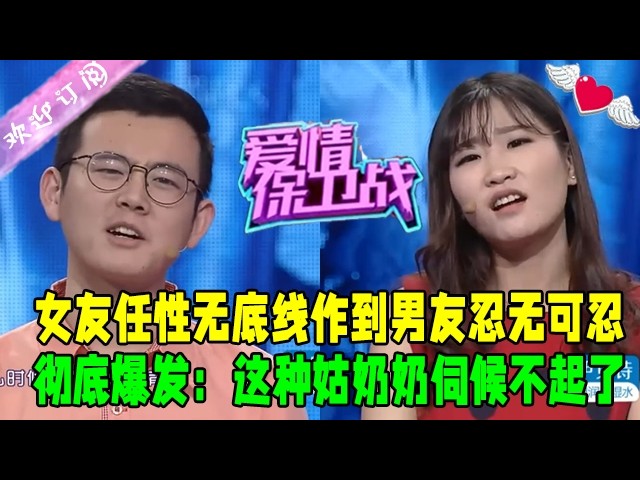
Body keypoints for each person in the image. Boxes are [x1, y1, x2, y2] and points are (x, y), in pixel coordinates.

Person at [0, 73, 307, 420]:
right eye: (109, 169)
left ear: (197, 223)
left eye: (164, 180)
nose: (134, 197)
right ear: (55, 193)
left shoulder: (258, 390)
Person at [363, 71, 640, 420]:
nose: (497, 172)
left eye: (517, 142)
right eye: (469, 158)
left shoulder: (632, 314)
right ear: (453, 195)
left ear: (569, 163)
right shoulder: (409, 313)